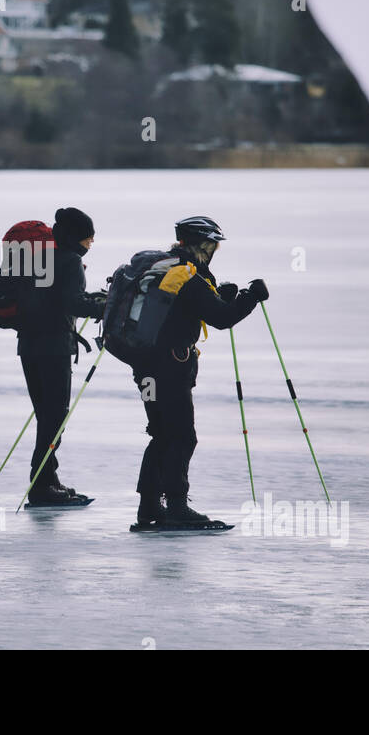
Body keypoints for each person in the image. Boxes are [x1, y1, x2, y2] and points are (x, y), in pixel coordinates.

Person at [132, 216, 267, 527]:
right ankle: (177, 508)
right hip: (170, 369)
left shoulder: (166, 269)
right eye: (213, 246)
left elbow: (188, 309)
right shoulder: (187, 277)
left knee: (160, 434)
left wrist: (222, 295)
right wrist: (251, 298)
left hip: (145, 369)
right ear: (203, 246)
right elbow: (222, 319)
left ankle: (150, 507)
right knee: (181, 437)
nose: (215, 251)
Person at [17, 207, 105, 504]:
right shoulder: (71, 262)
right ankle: (41, 486)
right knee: (55, 418)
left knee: (46, 416)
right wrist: (104, 307)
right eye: (89, 239)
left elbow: (52, 299)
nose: (90, 245)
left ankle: (48, 479)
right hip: (54, 348)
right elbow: (73, 304)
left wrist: (89, 300)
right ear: (77, 238)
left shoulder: (38, 258)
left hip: (28, 346)